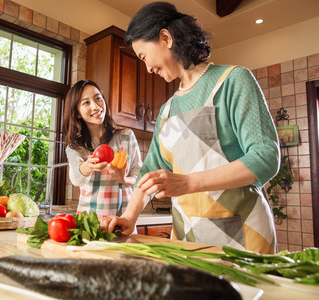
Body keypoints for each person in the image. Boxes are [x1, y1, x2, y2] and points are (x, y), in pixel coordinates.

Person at [101, 2, 280, 254]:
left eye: (144, 56)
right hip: (187, 238)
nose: (147, 68)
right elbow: (149, 173)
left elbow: (265, 158)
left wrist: (186, 183)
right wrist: (130, 218)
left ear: (165, 38)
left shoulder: (233, 80)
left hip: (244, 235)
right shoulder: (166, 110)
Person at [63, 80, 142, 218]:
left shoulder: (126, 136)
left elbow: (140, 177)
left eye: (98, 98)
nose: (96, 107)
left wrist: (123, 179)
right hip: (89, 223)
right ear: (77, 113)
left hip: (123, 220)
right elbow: (76, 179)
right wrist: (88, 166)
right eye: (86, 102)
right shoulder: (74, 146)